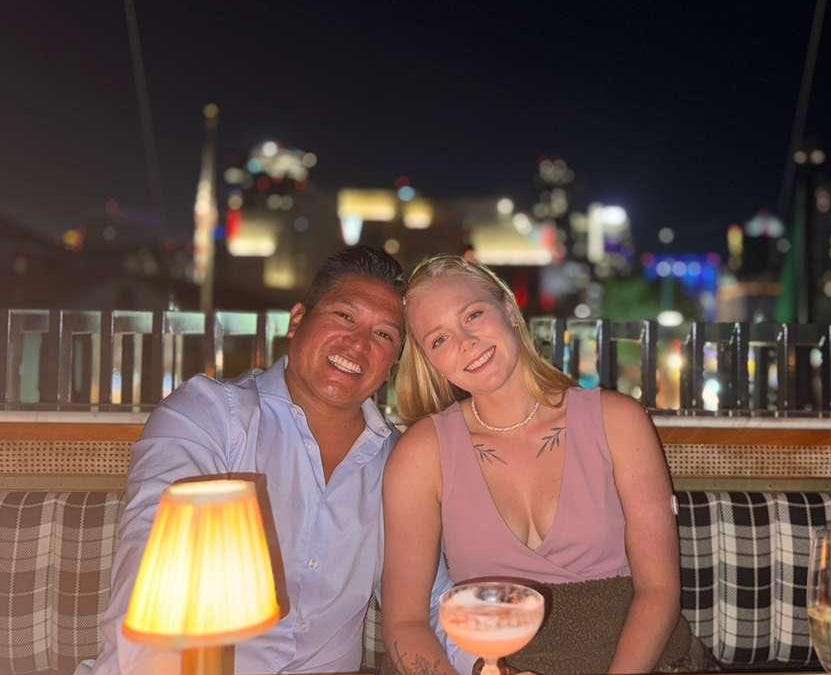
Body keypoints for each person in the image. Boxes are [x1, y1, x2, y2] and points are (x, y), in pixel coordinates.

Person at [77, 247, 474, 675]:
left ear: (393, 362)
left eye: (384, 335)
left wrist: (484, 664)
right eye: (345, 316)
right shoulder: (209, 417)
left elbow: (431, 602)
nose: (359, 343)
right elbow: (151, 576)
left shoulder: (398, 461)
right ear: (298, 319)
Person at [382, 254, 715, 674]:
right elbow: (405, 623)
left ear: (508, 308)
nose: (465, 342)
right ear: (429, 361)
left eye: (474, 315)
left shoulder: (618, 421)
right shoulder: (421, 454)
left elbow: (659, 590)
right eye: (439, 340)